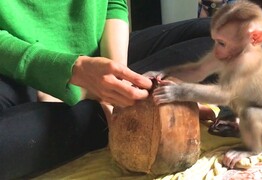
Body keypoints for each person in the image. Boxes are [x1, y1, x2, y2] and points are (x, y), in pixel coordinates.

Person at [0, 0, 212, 179]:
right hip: (16, 64)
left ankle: (110, 106)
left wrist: (117, 82)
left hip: (95, 54)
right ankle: (111, 110)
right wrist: (65, 73)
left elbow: (113, 3)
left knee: (220, 36)